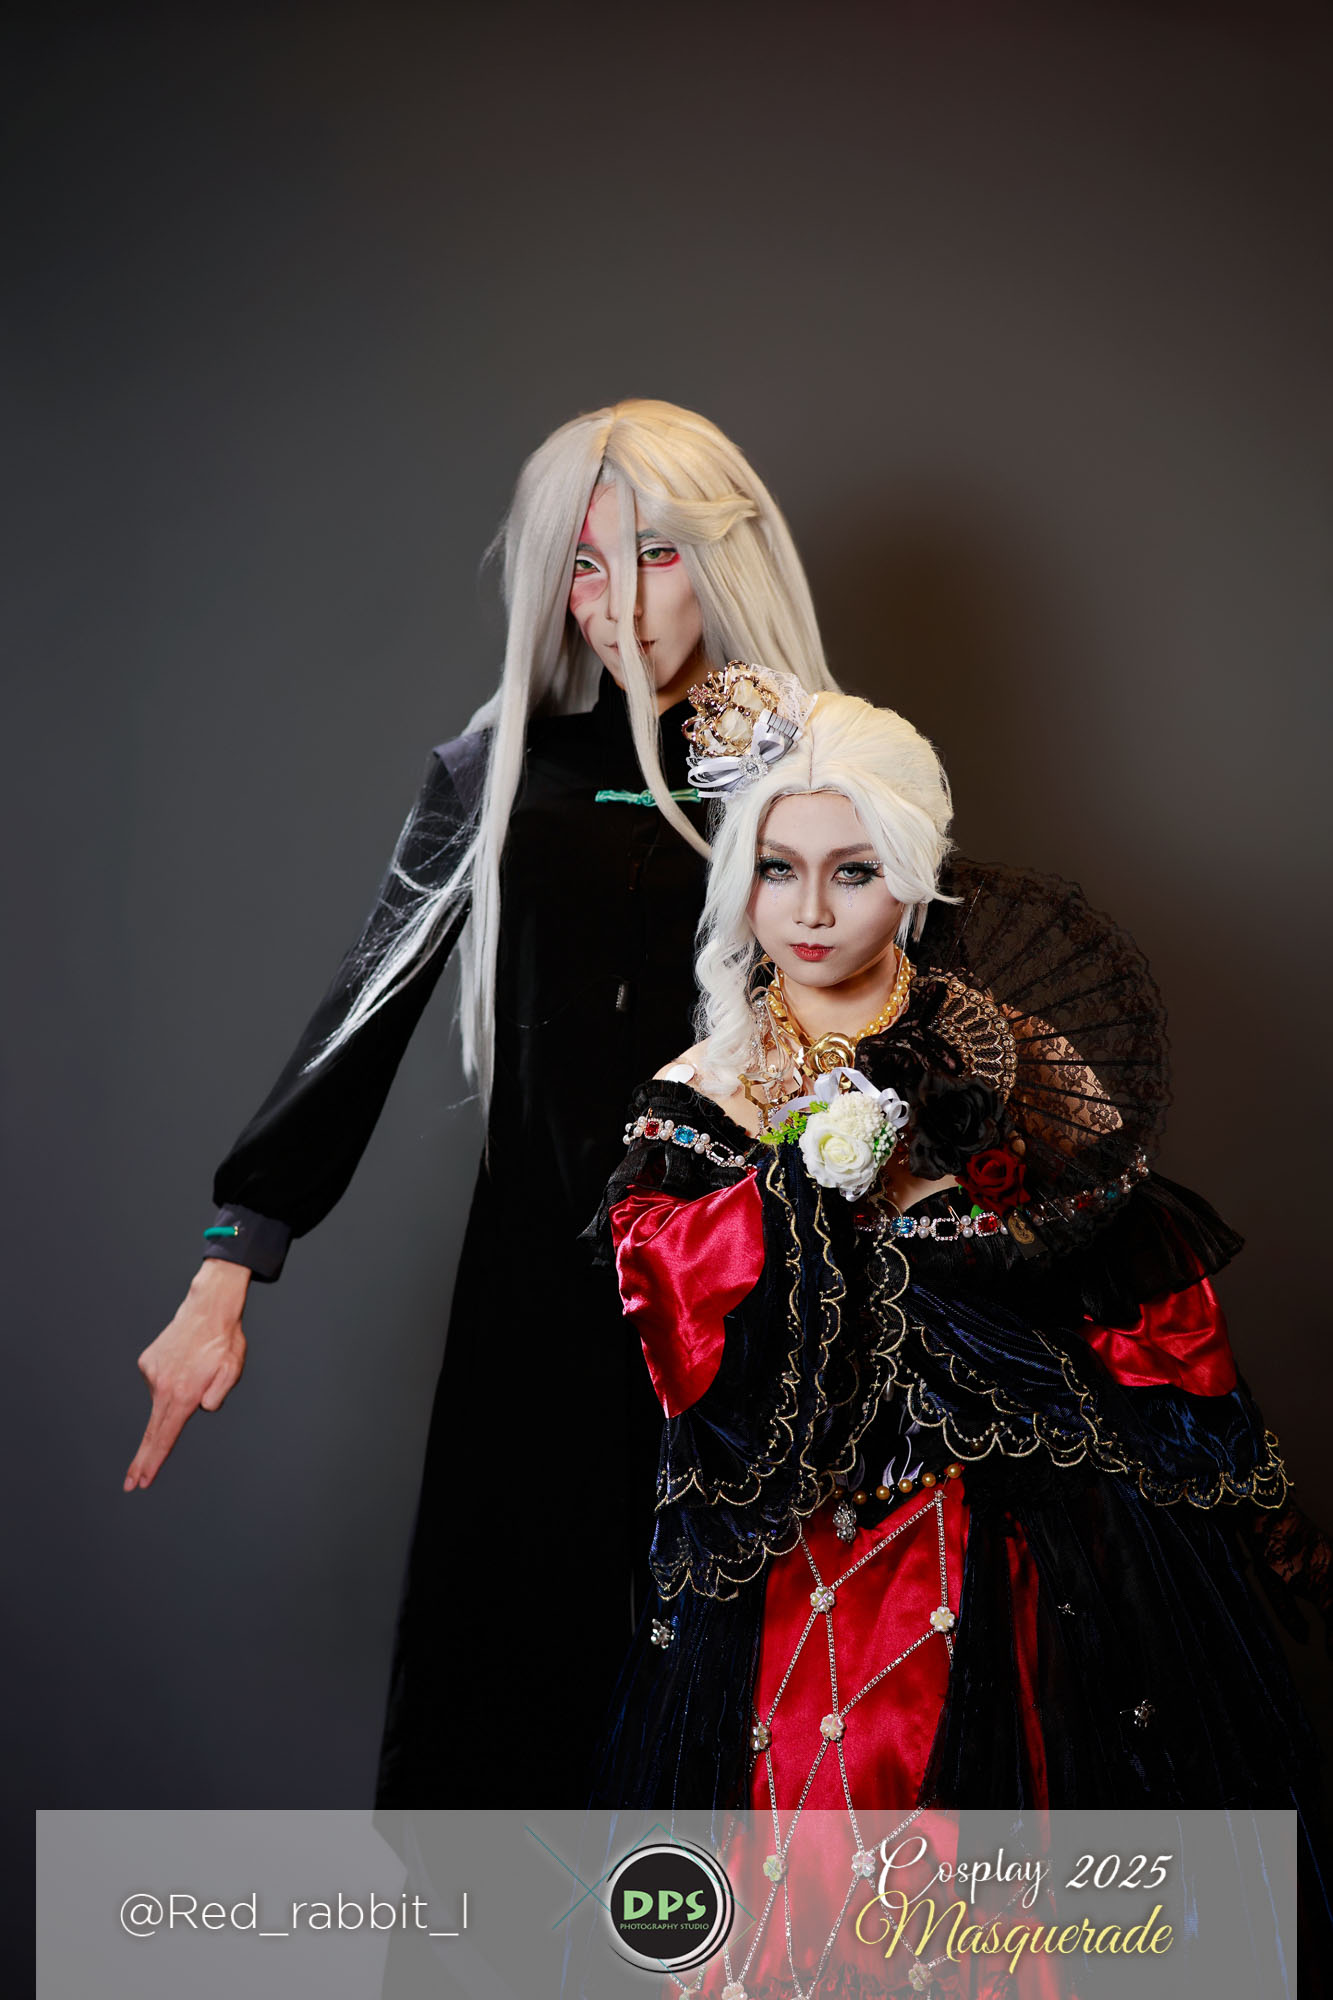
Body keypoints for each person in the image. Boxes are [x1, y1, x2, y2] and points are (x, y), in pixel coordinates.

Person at [123, 401, 838, 1808]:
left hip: (767, 1292)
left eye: (656, 555)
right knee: (521, 1689)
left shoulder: (824, 771)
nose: (621, 605)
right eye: (583, 565)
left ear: (725, 553)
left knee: (760, 1701)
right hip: (546, 1292)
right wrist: (230, 1261)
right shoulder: (498, 769)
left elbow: (902, 1017)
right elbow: (362, 1013)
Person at [594, 664, 1324, 1861]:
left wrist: (967, 1192)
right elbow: (672, 1317)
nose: (810, 909)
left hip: (1019, 1506)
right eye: (777, 868)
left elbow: (1128, 1272)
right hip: (804, 1524)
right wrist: (801, 1185)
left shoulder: (1009, 1047)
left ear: (911, 873)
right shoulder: (703, 1087)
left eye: (853, 871)